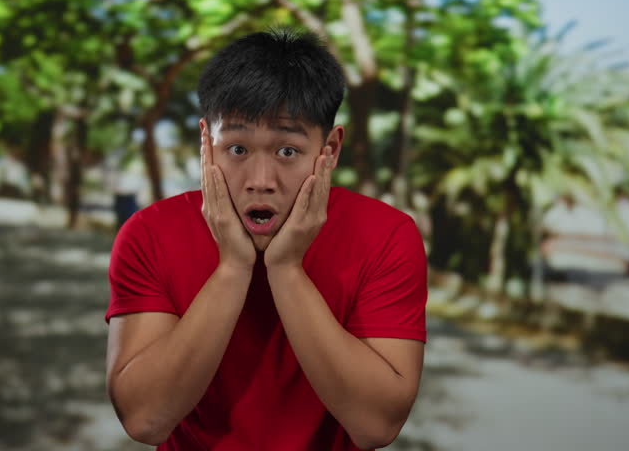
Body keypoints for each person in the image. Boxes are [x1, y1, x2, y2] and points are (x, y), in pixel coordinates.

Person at [105, 28, 427, 450]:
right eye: (237, 149)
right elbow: (144, 420)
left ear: (329, 148)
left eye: (287, 151)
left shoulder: (386, 236)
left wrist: (286, 269)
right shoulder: (150, 233)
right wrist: (233, 267)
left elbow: (376, 427)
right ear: (207, 144)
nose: (261, 182)